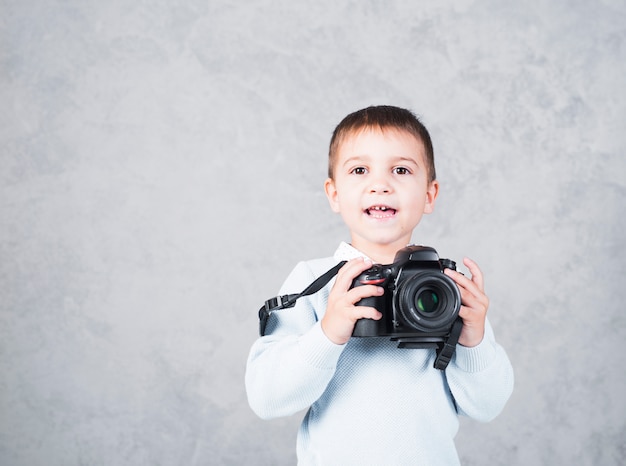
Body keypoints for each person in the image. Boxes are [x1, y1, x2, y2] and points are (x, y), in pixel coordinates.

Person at [245, 105, 514, 465]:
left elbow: (487, 406)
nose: (380, 184)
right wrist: (328, 333)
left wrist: (474, 338)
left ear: (430, 194)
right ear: (334, 194)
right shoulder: (313, 282)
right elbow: (267, 398)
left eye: (401, 170)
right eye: (359, 170)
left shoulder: (444, 289)